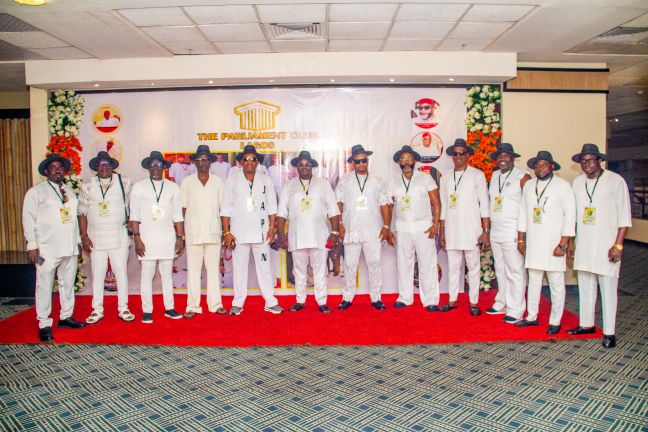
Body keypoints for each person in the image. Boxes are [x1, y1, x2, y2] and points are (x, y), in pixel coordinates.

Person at [567, 144, 631, 348]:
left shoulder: (615, 181)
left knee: (608, 288)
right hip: (584, 243)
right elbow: (573, 216)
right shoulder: (578, 182)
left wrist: (618, 245)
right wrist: (571, 242)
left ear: (599, 161)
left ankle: (609, 332)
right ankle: (586, 324)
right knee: (585, 285)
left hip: (607, 244)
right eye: (583, 161)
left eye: (590, 160)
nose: (586, 164)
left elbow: (624, 217)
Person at [22, 154, 86, 342]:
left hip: (69, 247)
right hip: (47, 248)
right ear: (46, 171)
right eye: (53, 167)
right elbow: (28, 219)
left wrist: (78, 242)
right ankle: (44, 324)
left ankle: (66, 317)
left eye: (60, 167)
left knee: (68, 284)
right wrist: (32, 245)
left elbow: (73, 218)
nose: (57, 170)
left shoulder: (69, 191)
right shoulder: (36, 192)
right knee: (44, 286)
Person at [516, 151, 575, 335]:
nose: (540, 168)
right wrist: (521, 238)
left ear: (552, 166)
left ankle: (555, 321)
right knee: (533, 280)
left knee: (556, 282)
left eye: (544, 164)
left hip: (554, 243)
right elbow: (522, 212)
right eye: (537, 165)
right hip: (534, 242)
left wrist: (564, 243)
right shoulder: (529, 186)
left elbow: (570, 215)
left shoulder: (563, 186)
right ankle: (531, 317)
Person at [221, 145, 283, 315]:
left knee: (265, 268)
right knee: (239, 269)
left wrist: (272, 228)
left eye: (253, 159)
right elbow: (225, 209)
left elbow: (272, 207)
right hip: (238, 234)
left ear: (257, 162)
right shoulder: (232, 180)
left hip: (261, 233)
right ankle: (238, 303)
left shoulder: (266, 180)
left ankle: (270, 301)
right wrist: (227, 232)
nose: (249, 162)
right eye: (246, 159)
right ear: (241, 162)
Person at [277, 150, 341, 313]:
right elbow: (281, 213)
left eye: (307, 164)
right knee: (299, 271)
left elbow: (333, 210)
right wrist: (281, 234)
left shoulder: (323, 184)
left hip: (319, 235)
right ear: (296, 167)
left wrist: (334, 232)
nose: (304, 167)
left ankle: (322, 302)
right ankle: (300, 301)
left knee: (320, 271)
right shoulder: (288, 186)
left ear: (312, 166)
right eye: (300, 164)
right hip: (297, 235)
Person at [78, 151, 134, 324]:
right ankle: (97, 309)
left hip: (119, 236)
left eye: (107, 164)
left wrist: (132, 223)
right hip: (96, 238)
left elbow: (133, 205)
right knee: (98, 274)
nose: (104, 167)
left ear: (112, 167)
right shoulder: (87, 186)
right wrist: (84, 236)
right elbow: (82, 213)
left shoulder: (125, 183)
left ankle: (123, 308)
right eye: (101, 165)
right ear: (96, 167)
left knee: (121, 273)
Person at [129, 151, 185, 324]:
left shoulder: (173, 187)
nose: (155, 167)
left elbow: (178, 215)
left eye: (158, 164)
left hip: (167, 238)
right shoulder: (139, 187)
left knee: (167, 275)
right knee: (147, 275)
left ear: (164, 167)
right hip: (146, 239)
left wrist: (180, 238)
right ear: (147, 167)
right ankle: (147, 310)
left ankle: (169, 308)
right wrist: (137, 238)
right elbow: (134, 216)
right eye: (152, 164)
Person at [335, 144, 393, 311]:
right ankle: (347, 297)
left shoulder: (377, 181)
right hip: (351, 229)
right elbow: (338, 202)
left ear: (367, 161)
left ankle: (376, 298)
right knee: (350, 266)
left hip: (373, 230)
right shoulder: (345, 180)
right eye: (358, 161)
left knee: (375, 264)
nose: (361, 164)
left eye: (364, 161)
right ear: (353, 163)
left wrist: (386, 226)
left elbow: (385, 204)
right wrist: (340, 224)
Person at [439, 139, 490, 316]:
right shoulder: (445, 177)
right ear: (452, 156)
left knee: (473, 267)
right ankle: (452, 300)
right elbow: (444, 206)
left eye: (462, 153)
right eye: (455, 153)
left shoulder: (477, 175)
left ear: (467, 155)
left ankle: (474, 302)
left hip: (472, 230)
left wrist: (485, 231)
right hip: (452, 230)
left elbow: (484, 204)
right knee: (453, 267)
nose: (458, 156)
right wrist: (442, 232)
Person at [390, 145, 442, 311]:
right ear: (399, 162)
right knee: (403, 265)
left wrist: (435, 225)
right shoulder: (393, 181)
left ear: (415, 161)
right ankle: (405, 298)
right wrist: (390, 229)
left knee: (427, 264)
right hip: (402, 228)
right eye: (403, 159)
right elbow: (389, 206)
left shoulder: (425, 178)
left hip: (423, 228)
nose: (406, 162)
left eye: (409, 158)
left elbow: (436, 203)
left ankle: (430, 300)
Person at [486, 143, 530, 323]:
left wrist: (522, 236)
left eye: (505, 155)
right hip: (496, 230)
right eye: (499, 156)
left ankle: (516, 309)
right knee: (500, 269)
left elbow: (528, 206)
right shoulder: (495, 175)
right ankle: (502, 302)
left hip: (513, 230)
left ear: (512, 158)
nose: (502, 159)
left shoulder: (523, 177)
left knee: (515, 270)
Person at [181, 145, 227, 319]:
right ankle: (192, 306)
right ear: (194, 162)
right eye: (199, 160)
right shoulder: (187, 182)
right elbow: (182, 208)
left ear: (210, 162)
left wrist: (226, 231)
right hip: (193, 233)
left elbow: (224, 209)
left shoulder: (218, 182)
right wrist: (181, 234)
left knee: (213, 271)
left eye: (206, 160)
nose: (203, 163)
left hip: (213, 232)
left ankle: (216, 304)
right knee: (193, 271)